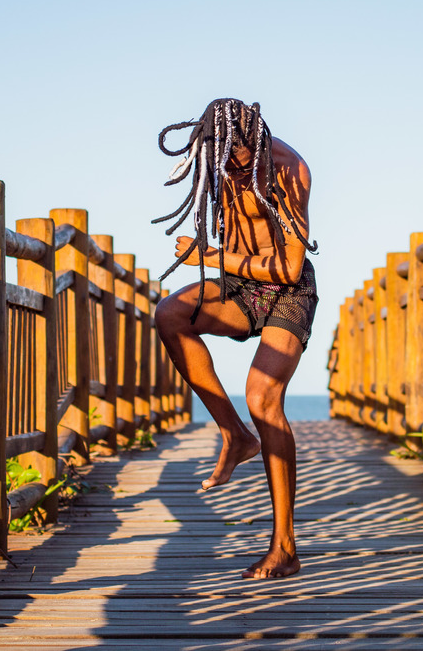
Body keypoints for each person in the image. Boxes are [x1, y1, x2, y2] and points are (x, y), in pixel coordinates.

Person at [153, 98, 318, 580]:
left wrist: (210, 255)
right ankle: (234, 434)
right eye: (223, 160)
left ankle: (284, 547)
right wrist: (219, 256)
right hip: (241, 286)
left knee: (263, 398)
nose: (232, 171)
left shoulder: (290, 170)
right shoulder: (219, 162)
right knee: (170, 313)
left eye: (240, 160)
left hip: (289, 291)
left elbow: (287, 268)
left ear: (257, 143)